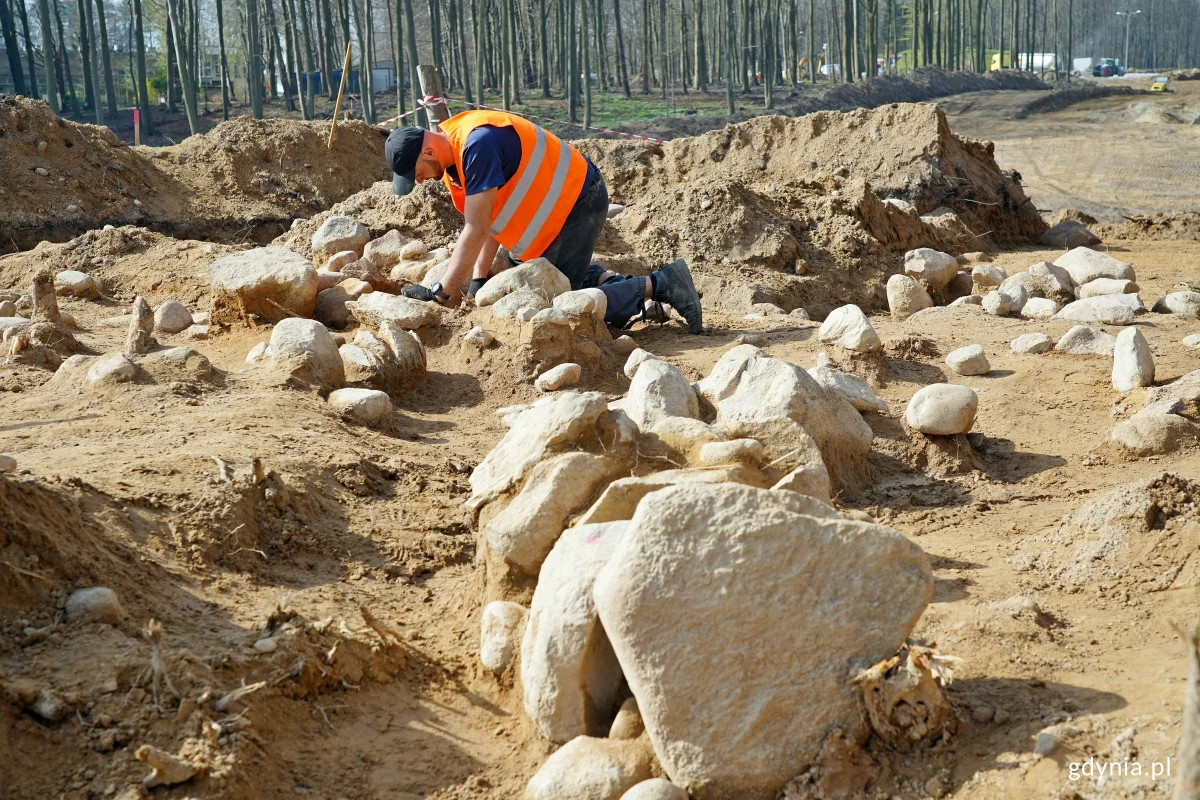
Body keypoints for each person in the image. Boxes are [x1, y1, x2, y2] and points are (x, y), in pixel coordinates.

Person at [383, 110, 703, 333]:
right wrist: (479, 280)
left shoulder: (476, 145)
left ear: (427, 151)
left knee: (562, 305)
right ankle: (630, 290)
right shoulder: (455, 154)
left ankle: (662, 284)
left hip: (576, 201)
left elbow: (476, 227)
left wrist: (440, 291)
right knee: (551, 281)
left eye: (417, 174)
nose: (421, 182)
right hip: (554, 218)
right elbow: (490, 219)